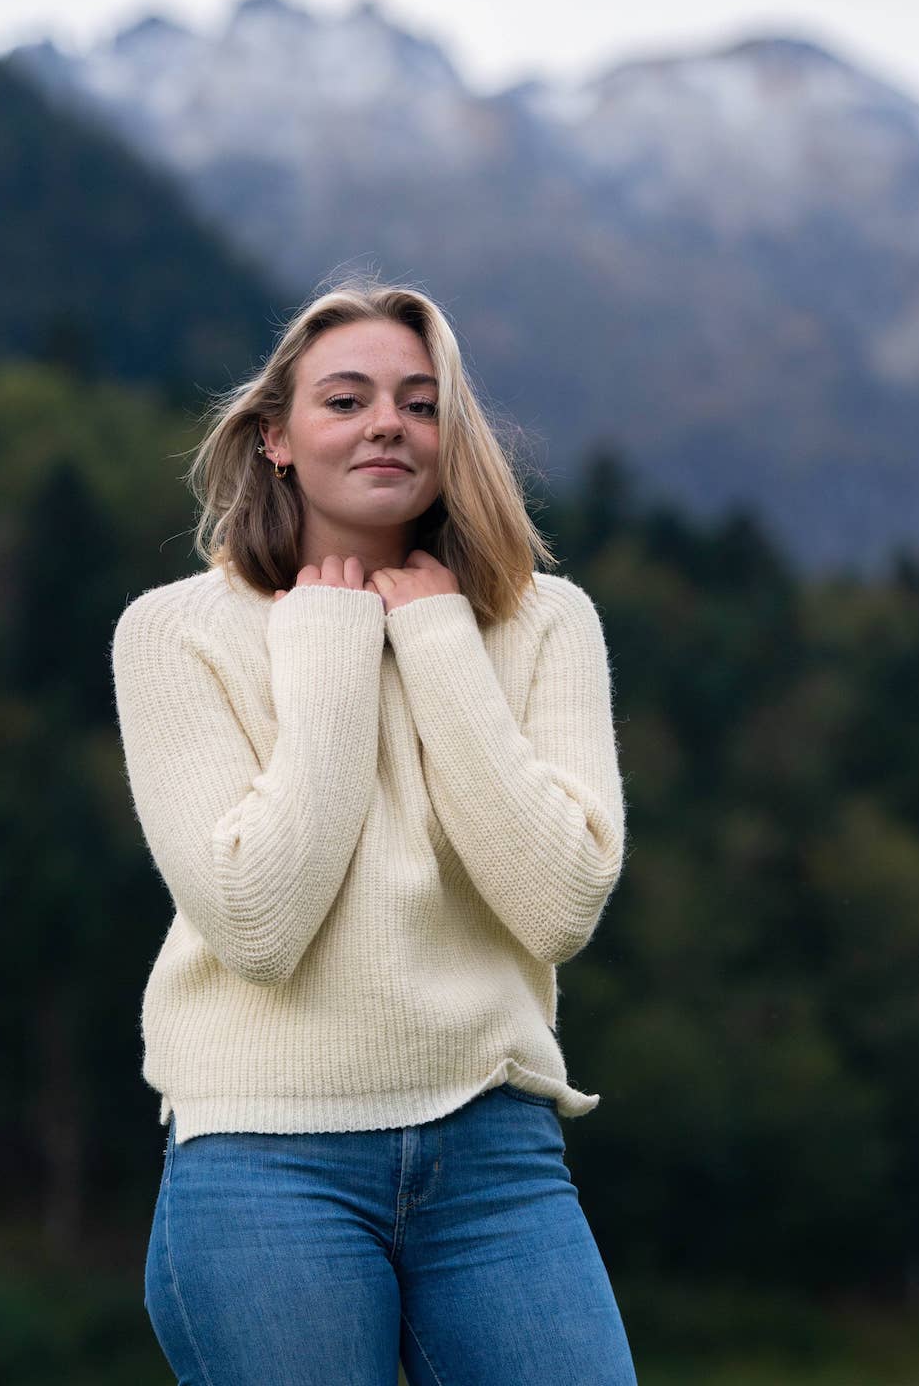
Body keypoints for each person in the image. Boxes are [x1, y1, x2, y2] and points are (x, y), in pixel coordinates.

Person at [110, 274, 638, 1383]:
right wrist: (331, 647)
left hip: (498, 1164)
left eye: (420, 402)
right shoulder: (174, 634)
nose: (388, 422)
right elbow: (258, 921)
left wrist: (440, 640)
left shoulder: (547, 622)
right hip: (265, 1167)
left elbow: (558, 905)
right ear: (275, 438)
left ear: (453, 436)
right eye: (346, 400)